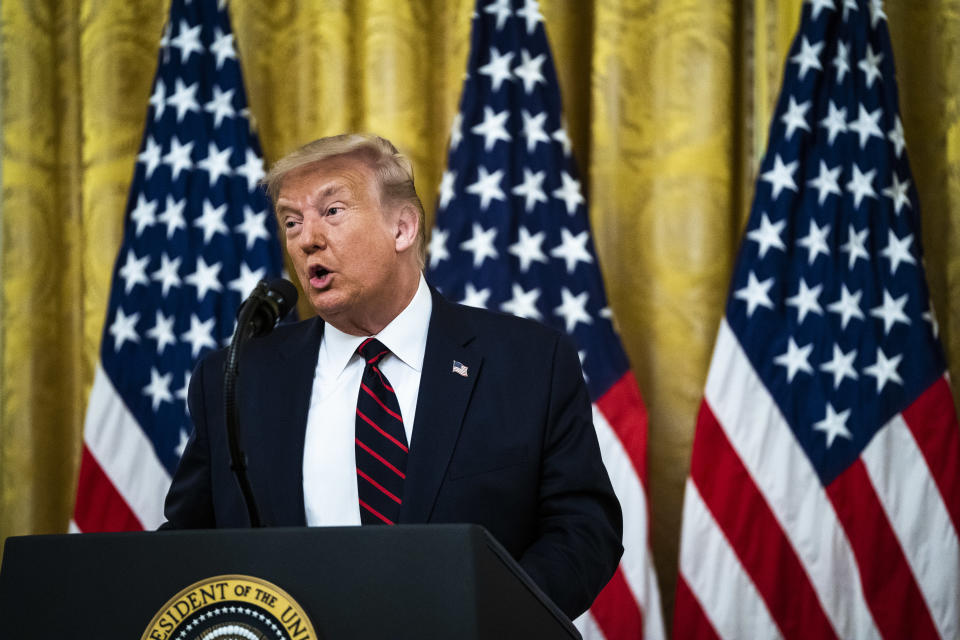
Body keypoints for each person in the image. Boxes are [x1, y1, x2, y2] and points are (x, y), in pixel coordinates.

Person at [162, 133, 623, 619]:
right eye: (291, 221)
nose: (306, 238)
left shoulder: (529, 362)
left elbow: (583, 527)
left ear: (402, 227)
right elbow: (185, 546)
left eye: (332, 211)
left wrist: (492, 621)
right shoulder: (236, 378)